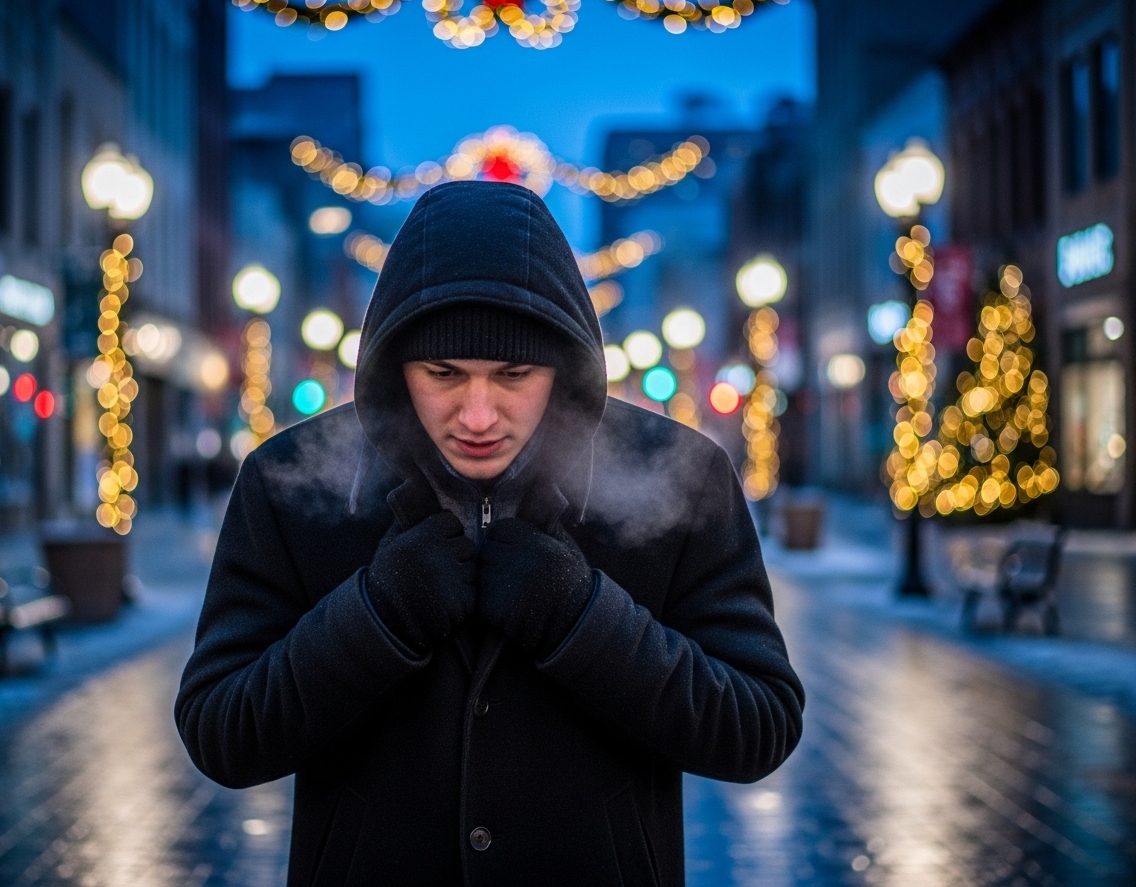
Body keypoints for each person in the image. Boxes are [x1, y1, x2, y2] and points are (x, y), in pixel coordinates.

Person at [175, 180, 804, 886]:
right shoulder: (287, 481)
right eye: (443, 372)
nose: (477, 415)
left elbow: (759, 726)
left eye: (513, 374)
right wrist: (378, 614)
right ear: (395, 365)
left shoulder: (682, 475)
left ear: (563, 366)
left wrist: (579, 617)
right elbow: (220, 733)